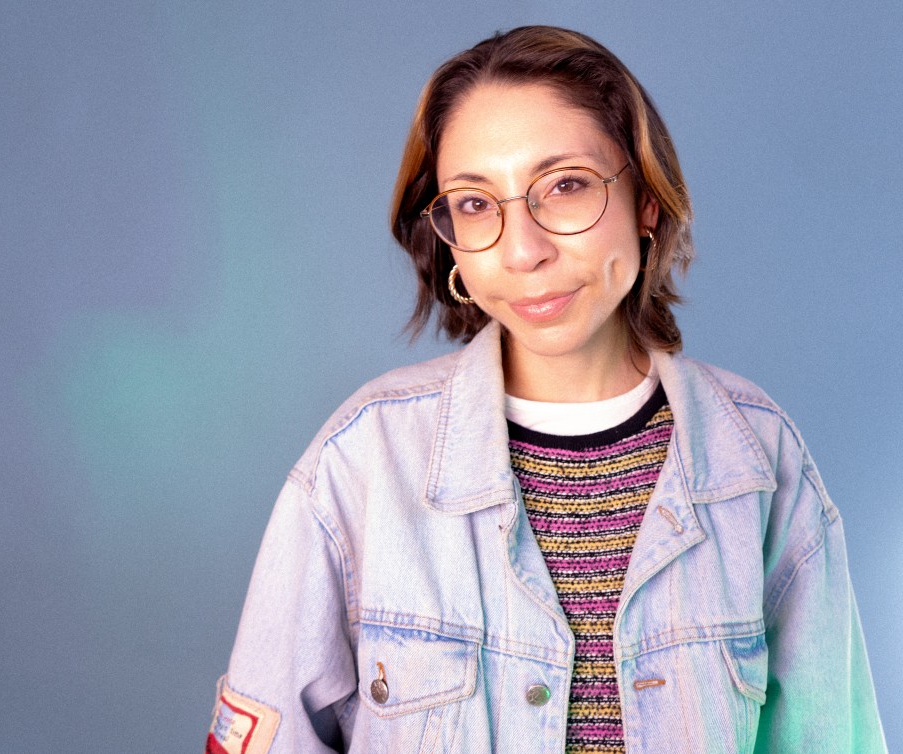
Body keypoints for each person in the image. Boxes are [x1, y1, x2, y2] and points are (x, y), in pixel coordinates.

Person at [206, 26, 886, 753]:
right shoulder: (360, 463)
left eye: (565, 186)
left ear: (646, 202)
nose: (523, 250)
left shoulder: (759, 461)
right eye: (474, 204)